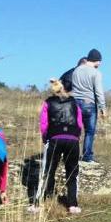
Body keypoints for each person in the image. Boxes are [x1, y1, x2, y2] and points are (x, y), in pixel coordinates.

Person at [30, 79, 83, 214]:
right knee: (72, 172)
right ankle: (72, 205)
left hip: (54, 138)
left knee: (47, 171)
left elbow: (44, 124)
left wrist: (45, 137)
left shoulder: (48, 102)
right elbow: (79, 122)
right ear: (69, 89)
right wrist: (76, 136)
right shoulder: (75, 102)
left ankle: (37, 204)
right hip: (72, 139)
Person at [71, 49, 106, 163]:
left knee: (75, 131)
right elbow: (99, 92)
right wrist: (102, 108)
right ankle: (87, 156)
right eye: (100, 61)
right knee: (89, 131)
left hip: (74, 103)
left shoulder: (76, 71)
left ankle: (72, 155)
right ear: (97, 61)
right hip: (88, 104)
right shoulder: (96, 73)